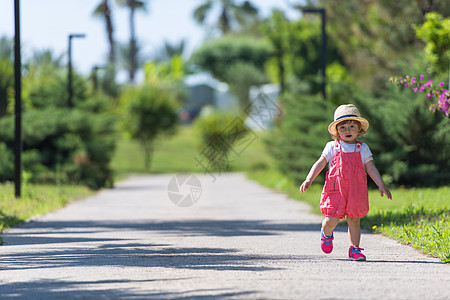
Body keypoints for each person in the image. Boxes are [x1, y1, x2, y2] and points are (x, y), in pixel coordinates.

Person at [299, 104, 392, 261]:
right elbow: (320, 163)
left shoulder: (362, 148)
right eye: (342, 127)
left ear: (359, 129)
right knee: (331, 220)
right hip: (336, 190)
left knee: (354, 219)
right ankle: (326, 233)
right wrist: (309, 179)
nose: (347, 131)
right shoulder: (332, 147)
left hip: (356, 191)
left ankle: (354, 249)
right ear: (336, 131)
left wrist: (381, 184)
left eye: (351, 126)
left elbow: (371, 168)